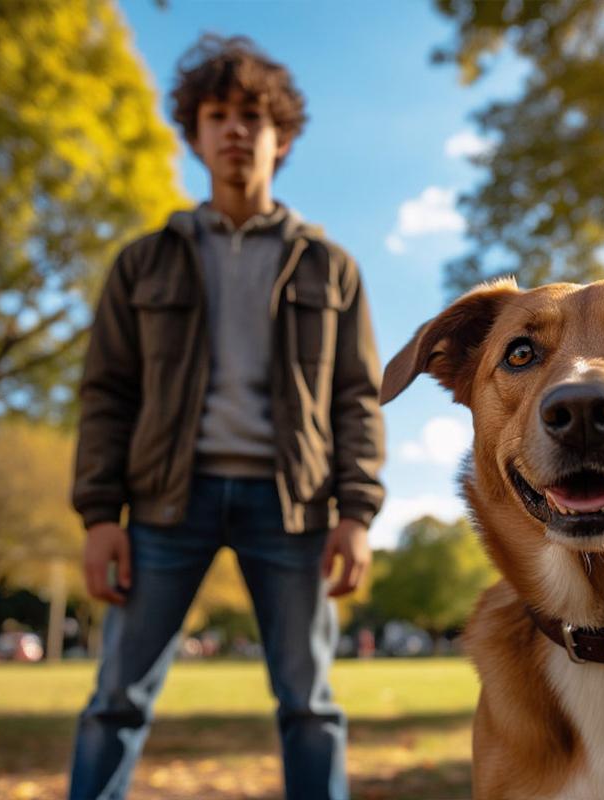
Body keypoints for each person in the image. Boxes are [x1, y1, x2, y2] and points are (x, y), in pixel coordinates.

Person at [67, 34, 385, 800]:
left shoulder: (329, 265)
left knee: (310, 705)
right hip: (165, 504)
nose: (236, 129)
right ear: (196, 133)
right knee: (116, 700)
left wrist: (358, 512)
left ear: (283, 136)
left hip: (295, 507)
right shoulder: (144, 261)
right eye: (218, 114)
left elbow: (356, 396)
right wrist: (98, 514)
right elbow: (107, 392)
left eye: (253, 115)